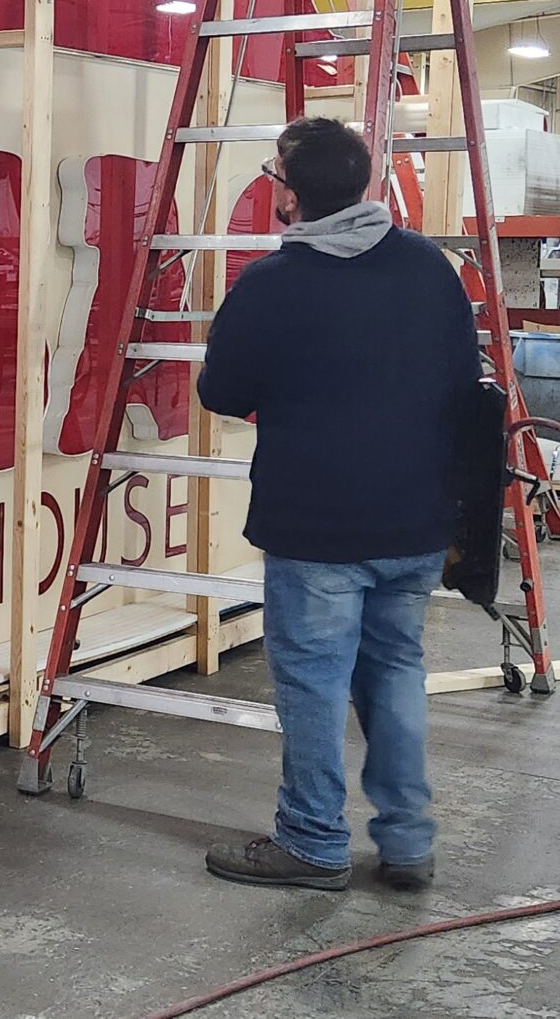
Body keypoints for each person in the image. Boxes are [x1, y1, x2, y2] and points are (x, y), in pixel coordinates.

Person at [192, 115, 479, 893]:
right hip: (416, 518)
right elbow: (465, 385)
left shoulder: (272, 284)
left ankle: (314, 841)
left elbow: (223, 393)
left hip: (315, 526)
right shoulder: (429, 268)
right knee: (395, 670)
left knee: (315, 682)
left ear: (289, 193)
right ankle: (408, 843)